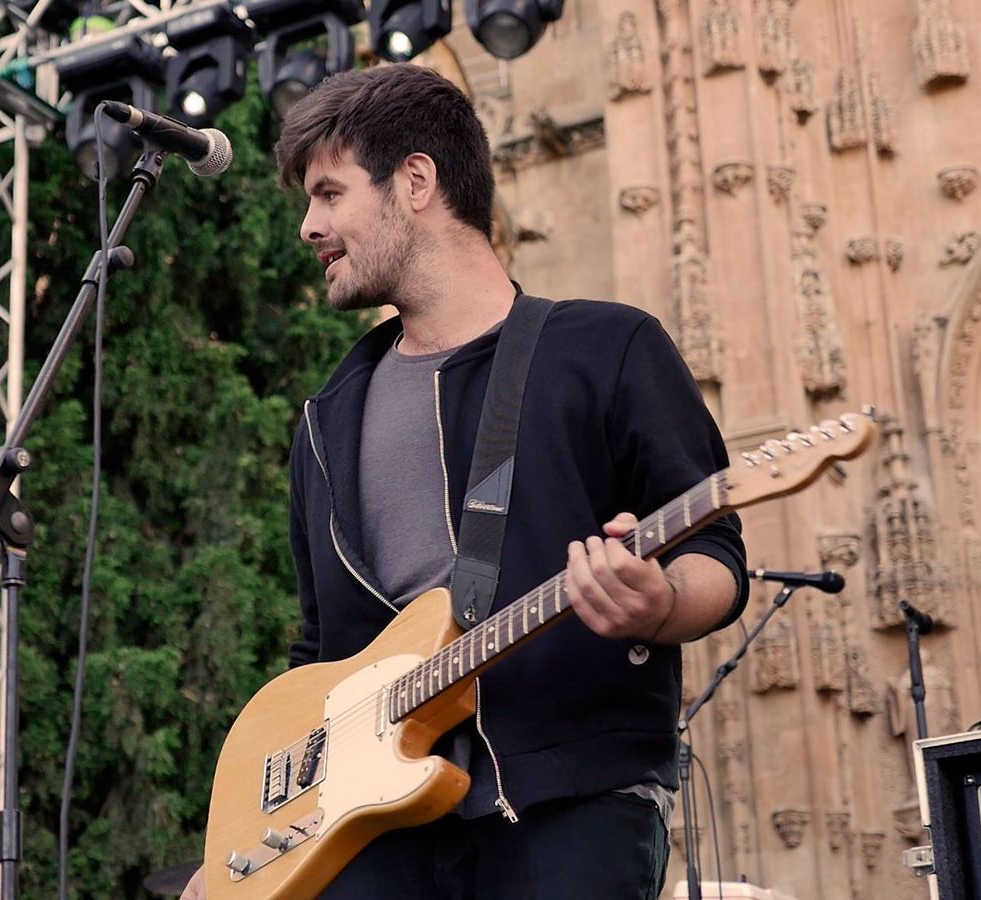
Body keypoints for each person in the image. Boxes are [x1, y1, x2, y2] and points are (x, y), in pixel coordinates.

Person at [183, 63, 746, 899]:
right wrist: (248, 851)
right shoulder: (324, 420)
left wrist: (658, 604)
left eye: (329, 194)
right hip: (365, 838)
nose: (309, 226)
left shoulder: (606, 350)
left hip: (565, 804)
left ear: (415, 180)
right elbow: (319, 657)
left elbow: (720, 562)